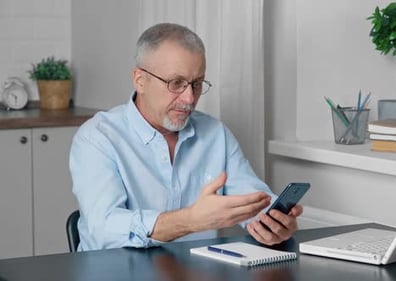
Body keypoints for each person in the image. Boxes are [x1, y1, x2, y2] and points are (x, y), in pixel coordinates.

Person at [69, 22, 303, 251]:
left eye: (197, 84)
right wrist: (190, 221)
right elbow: (105, 229)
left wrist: (272, 222)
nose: (189, 98)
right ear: (140, 80)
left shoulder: (215, 134)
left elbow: (251, 200)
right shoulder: (97, 138)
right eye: (176, 83)